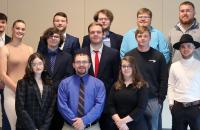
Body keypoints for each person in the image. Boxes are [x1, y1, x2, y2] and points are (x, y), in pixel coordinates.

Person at [126, 26, 168, 130]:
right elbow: (124, 77)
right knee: (134, 127)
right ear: (136, 38)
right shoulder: (129, 56)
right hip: (134, 99)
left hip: (153, 100)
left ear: (150, 38)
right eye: (140, 36)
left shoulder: (158, 56)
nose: (142, 38)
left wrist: (160, 99)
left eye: (145, 36)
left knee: (153, 127)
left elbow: (164, 78)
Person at [82, 22, 120, 129]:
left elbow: (117, 78)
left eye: (98, 32)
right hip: (85, 102)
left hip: (107, 102)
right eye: (92, 32)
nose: (95, 34)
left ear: (103, 34)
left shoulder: (114, 54)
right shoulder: (80, 53)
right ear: (88, 35)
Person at [57, 49, 106, 130]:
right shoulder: (64, 83)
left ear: (89, 65)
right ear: (73, 65)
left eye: (84, 62)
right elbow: (62, 105)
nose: (81, 64)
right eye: (78, 62)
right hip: (69, 126)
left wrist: (84, 121)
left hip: (92, 127)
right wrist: (76, 122)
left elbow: (99, 106)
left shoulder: (99, 84)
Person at [0, 19, 33, 130]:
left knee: (28, 125)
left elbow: (32, 72)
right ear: (12, 30)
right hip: (11, 92)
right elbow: (3, 75)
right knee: (15, 126)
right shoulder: (4, 49)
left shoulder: (29, 49)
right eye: (17, 28)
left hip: (28, 91)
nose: (20, 31)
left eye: (23, 29)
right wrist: (18, 89)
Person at [38, 27, 74, 130]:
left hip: (60, 97)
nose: (53, 38)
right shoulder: (39, 56)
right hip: (42, 96)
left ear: (60, 39)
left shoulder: (67, 57)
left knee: (57, 125)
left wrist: (54, 86)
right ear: (46, 39)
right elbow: (35, 74)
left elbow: (69, 76)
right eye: (50, 36)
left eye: (56, 36)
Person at [15, 53, 56, 130]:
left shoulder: (50, 84)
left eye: (40, 63)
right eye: (34, 64)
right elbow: (20, 108)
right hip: (26, 126)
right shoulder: (23, 83)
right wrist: (33, 128)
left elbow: (51, 108)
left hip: (43, 127)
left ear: (43, 65)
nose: (38, 67)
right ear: (30, 67)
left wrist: (44, 127)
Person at [168, 34, 200, 130]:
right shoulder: (174, 66)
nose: (186, 49)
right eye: (183, 47)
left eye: (189, 46)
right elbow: (171, 85)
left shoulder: (199, 65)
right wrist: (170, 103)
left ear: (194, 48)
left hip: (196, 107)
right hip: (178, 107)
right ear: (179, 49)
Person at [109, 56, 148, 130]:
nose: (126, 69)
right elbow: (111, 106)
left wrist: (122, 122)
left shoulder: (142, 86)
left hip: (136, 125)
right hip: (118, 125)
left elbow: (141, 108)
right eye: (124, 66)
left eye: (129, 66)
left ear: (134, 68)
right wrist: (119, 122)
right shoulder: (115, 85)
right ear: (121, 68)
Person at [0, 12, 11, 130]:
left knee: (6, 113)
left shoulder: (11, 41)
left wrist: (4, 80)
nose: (0, 24)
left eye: (3, 22)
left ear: (6, 24)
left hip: (6, 83)